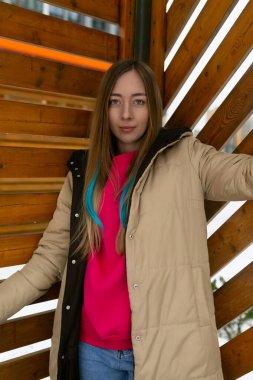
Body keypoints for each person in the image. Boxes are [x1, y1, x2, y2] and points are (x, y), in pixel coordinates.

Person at [0, 59, 253, 380]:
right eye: (115, 102)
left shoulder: (186, 155)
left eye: (138, 101)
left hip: (169, 354)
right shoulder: (82, 175)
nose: (127, 114)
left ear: (153, 106)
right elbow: (46, 263)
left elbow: (243, 175)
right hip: (92, 356)